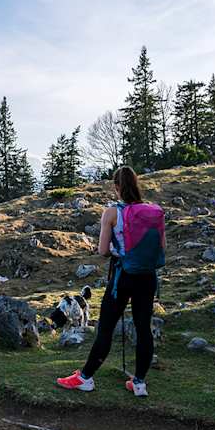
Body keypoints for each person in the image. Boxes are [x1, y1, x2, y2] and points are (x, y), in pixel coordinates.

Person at [56, 166, 165, 396]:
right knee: (143, 328)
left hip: (122, 276)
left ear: (117, 187)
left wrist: (119, 251)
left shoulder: (112, 213)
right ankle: (139, 384)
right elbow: (162, 248)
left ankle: (85, 378)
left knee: (105, 328)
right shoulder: (154, 211)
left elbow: (103, 250)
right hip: (147, 277)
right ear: (136, 185)